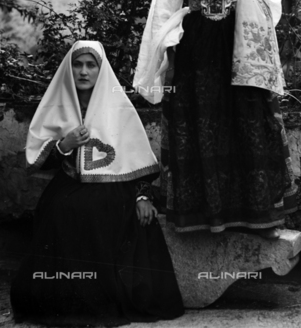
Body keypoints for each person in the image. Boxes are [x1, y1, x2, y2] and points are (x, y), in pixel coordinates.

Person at [133, 0, 297, 240]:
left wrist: (244, 4)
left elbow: (270, 0)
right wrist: (166, 56)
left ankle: (257, 218)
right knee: (202, 129)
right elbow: (163, 9)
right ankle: (207, 219)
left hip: (241, 53)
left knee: (249, 126)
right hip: (196, 56)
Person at [10, 40, 184, 327]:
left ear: (100, 69)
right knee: (61, 212)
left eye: (91, 65)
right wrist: (64, 145)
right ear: (69, 68)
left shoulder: (118, 105)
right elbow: (37, 160)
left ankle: (104, 294)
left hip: (115, 186)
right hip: (69, 183)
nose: (83, 71)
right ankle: (69, 297)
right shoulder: (57, 102)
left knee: (107, 214)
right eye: (77, 64)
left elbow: (137, 159)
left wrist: (143, 198)